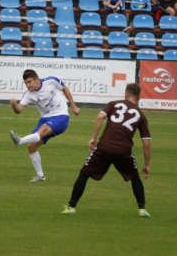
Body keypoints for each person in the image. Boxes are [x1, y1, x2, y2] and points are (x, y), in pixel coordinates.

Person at [61, 83, 152, 217]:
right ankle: (142, 209)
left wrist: (93, 138)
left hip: (105, 147)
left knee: (84, 174)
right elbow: (146, 144)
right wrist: (147, 165)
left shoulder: (113, 104)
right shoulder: (141, 115)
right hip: (124, 151)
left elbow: (99, 117)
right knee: (134, 177)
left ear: (125, 94)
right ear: (139, 97)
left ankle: (71, 207)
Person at [9, 69, 81, 182]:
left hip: (61, 116)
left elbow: (65, 89)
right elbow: (19, 110)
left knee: (42, 130)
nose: (28, 85)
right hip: (45, 119)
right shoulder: (28, 95)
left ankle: (20, 140)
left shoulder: (51, 81)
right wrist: (14, 105)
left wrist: (73, 106)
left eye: (29, 82)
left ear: (36, 79)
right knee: (32, 146)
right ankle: (40, 176)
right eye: (26, 83)